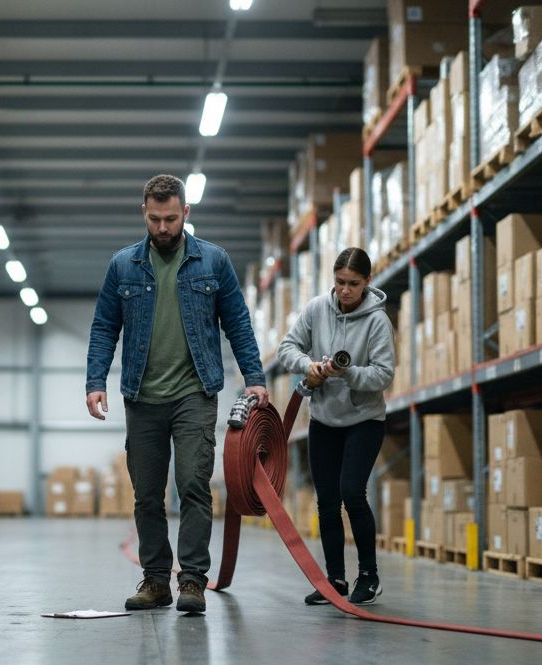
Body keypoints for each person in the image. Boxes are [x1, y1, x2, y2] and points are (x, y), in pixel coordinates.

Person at [86, 174, 269, 614]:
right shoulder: (123, 266)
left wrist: (255, 376)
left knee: (192, 485)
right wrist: (95, 382)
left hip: (195, 392)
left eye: (171, 219)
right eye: (155, 219)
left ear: (186, 213)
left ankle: (191, 580)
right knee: (147, 493)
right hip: (142, 396)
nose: (163, 228)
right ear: (143, 214)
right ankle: (155, 580)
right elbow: (104, 327)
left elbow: (238, 323)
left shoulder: (214, 262)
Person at [277, 247, 395, 606]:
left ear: (367, 282)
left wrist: (348, 373)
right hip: (324, 419)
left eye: (354, 284)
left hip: (364, 421)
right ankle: (335, 580)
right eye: (340, 282)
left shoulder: (377, 321)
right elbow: (287, 348)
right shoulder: (316, 309)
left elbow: (384, 374)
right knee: (326, 501)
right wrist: (308, 365)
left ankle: (369, 575)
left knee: (352, 493)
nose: (345, 290)